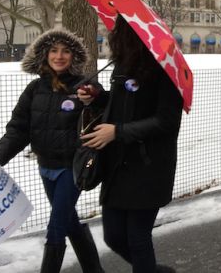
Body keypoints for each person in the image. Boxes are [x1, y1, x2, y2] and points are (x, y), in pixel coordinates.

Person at [0, 29, 104, 273]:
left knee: (56, 228)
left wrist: (94, 98)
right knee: (67, 220)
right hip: (45, 167)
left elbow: (103, 108)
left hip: (72, 169)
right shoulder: (34, 90)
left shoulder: (85, 87)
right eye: (54, 50)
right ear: (45, 54)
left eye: (66, 51)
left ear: (73, 56)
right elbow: (19, 129)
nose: (59, 56)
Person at [78, 16, 183, 273]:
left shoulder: (166, 68)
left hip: (149, 166)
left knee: (137, 237)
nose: (115, 36)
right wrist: (98, 97)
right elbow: (121, 107)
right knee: (113, 236)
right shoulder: (122, 66)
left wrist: (119, 132)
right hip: (118, 164)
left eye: (121, 31)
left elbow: (167, 121)